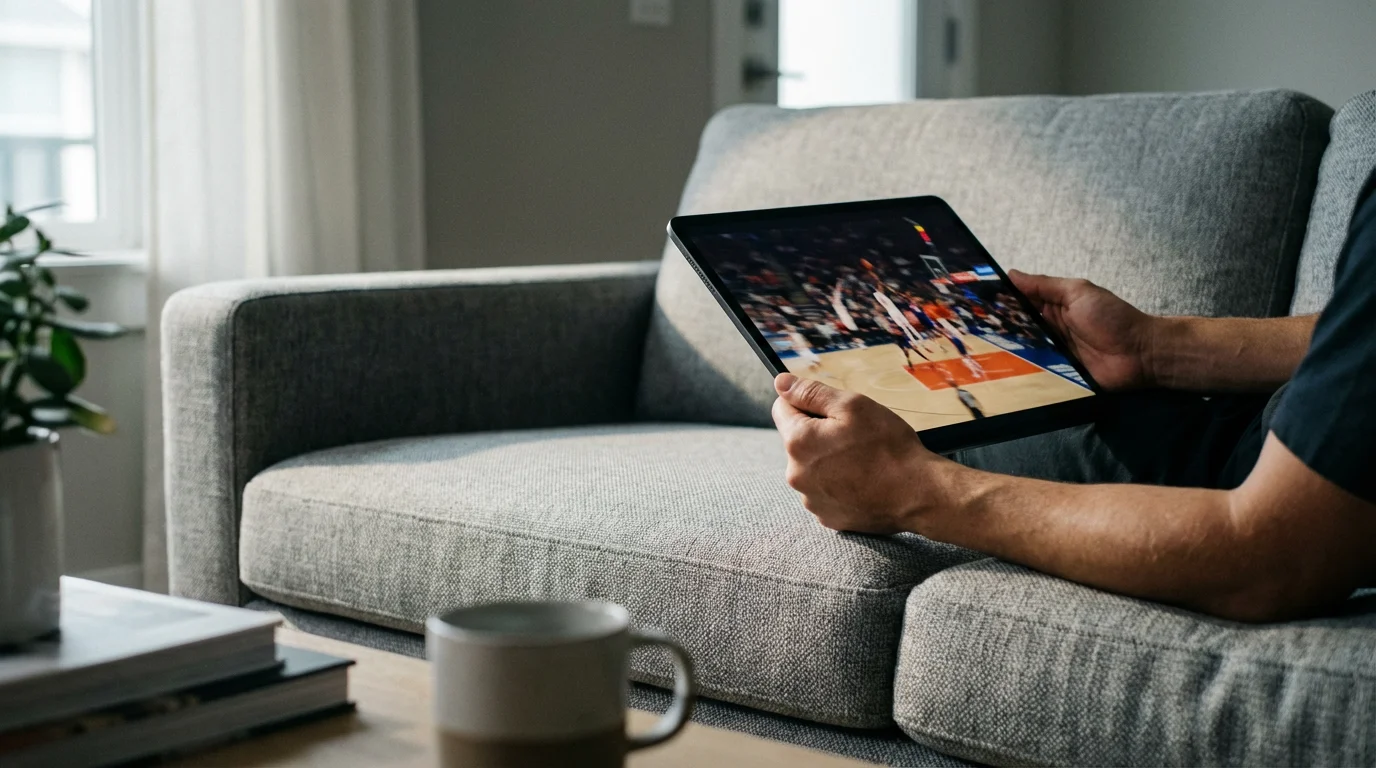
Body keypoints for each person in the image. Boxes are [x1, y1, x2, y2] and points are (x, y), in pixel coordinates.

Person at [770, 183, 1376, 623]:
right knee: (1004, 415)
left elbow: (1271, 560)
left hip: (1271, 498)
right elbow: (1355, 344)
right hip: (1266, 421)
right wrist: (1154, 348)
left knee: (953, 435)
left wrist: (915, 489)